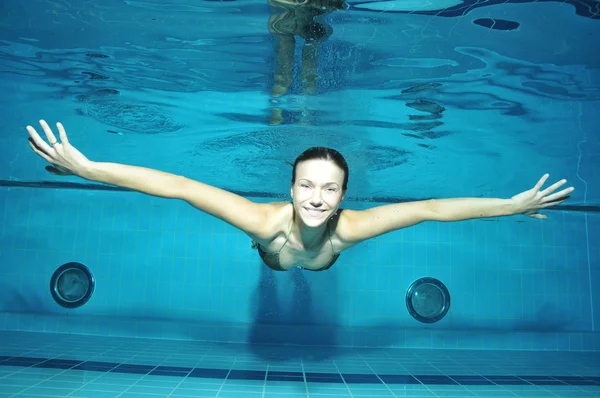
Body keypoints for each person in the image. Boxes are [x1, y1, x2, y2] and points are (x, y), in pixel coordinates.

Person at [27, 120, 574, 272]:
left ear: (342, 196)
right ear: (289, 188)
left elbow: (431, 209)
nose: (316, 198)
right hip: (273, 257)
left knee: (310, 264)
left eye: (329, 189)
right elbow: (180, 186)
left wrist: (510, 206)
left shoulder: (351, 227)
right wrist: (91, 169)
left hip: (322, 262)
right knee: (272, 260)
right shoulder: (263, 220)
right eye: (307, 185)